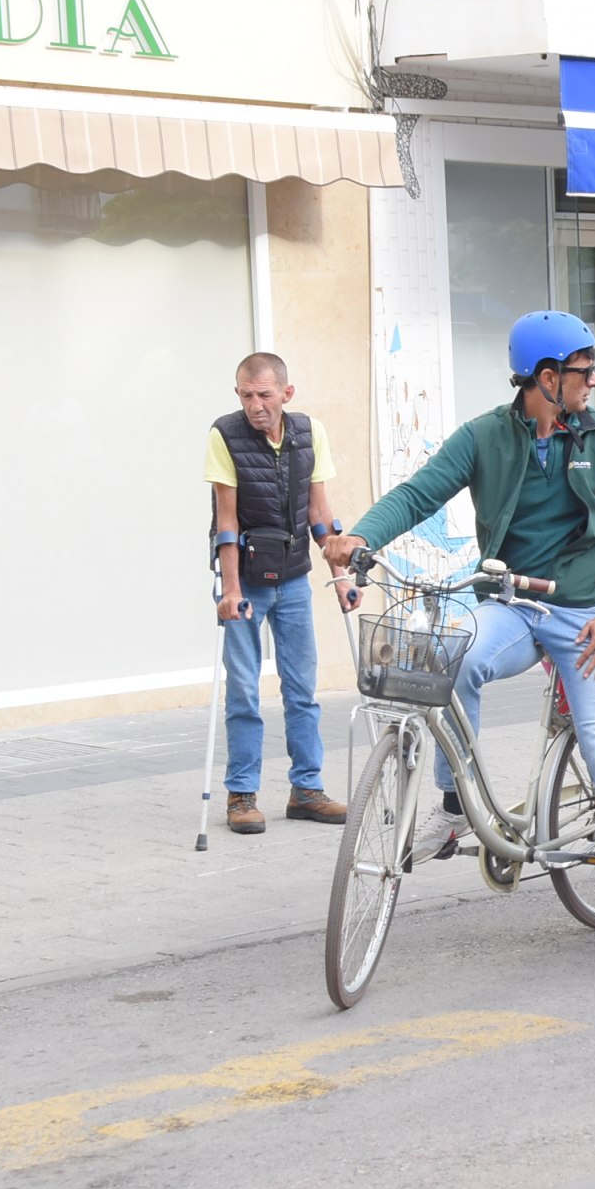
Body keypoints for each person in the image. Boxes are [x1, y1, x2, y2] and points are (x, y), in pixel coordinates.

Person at [324, 311, 595, 970]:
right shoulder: (485, 436)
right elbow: (419, 493)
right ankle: (456, 807)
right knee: (453, 658)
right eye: (583, 370)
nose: (593, 381)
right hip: (512, 605)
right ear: (546, 378)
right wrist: (363, 535)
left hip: (588, 617)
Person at [205, 351, 348, 835]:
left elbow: (320, 515)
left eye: (264, 395)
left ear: (286, 394)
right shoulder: (224, 435)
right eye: (246, 395)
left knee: (302, 690)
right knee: (244, 690)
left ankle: (306, 790)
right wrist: (229, 591)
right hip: (244, 581)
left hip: (292, 580)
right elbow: (226, 521)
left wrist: (343, 577)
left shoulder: (310, 433)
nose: (254, 405)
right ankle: (241, 795)